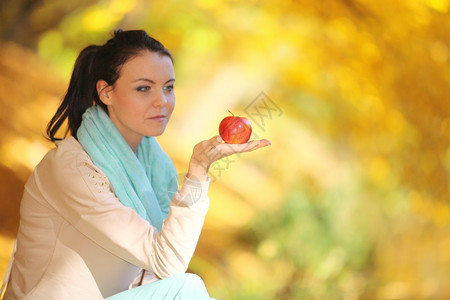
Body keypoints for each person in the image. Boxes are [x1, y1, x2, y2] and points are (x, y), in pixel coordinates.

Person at [2, 29, 270, 299]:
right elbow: (169, 263)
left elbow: (165, 267)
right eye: (144, 88)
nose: (162, 101)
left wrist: (198, 176)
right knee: (187, 288)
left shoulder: (155, 166)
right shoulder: (72, 169)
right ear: (106, 92)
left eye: (168, 87)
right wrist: (197, 173)